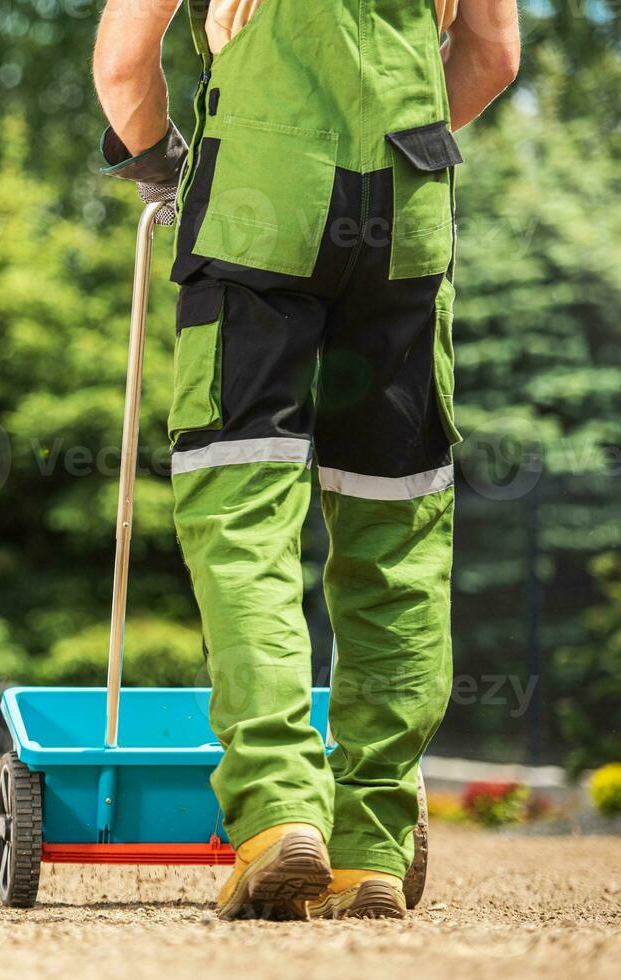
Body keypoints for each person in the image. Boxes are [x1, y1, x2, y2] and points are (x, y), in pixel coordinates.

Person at [91, 0, 519, 920]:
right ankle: (370, 840)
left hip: (259, 208)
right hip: (404, 217)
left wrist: (169, 170)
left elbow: (125, 62)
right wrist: (394, 132)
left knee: (242, 514)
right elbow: (490, 56)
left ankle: (280, 809)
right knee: (394, 526)